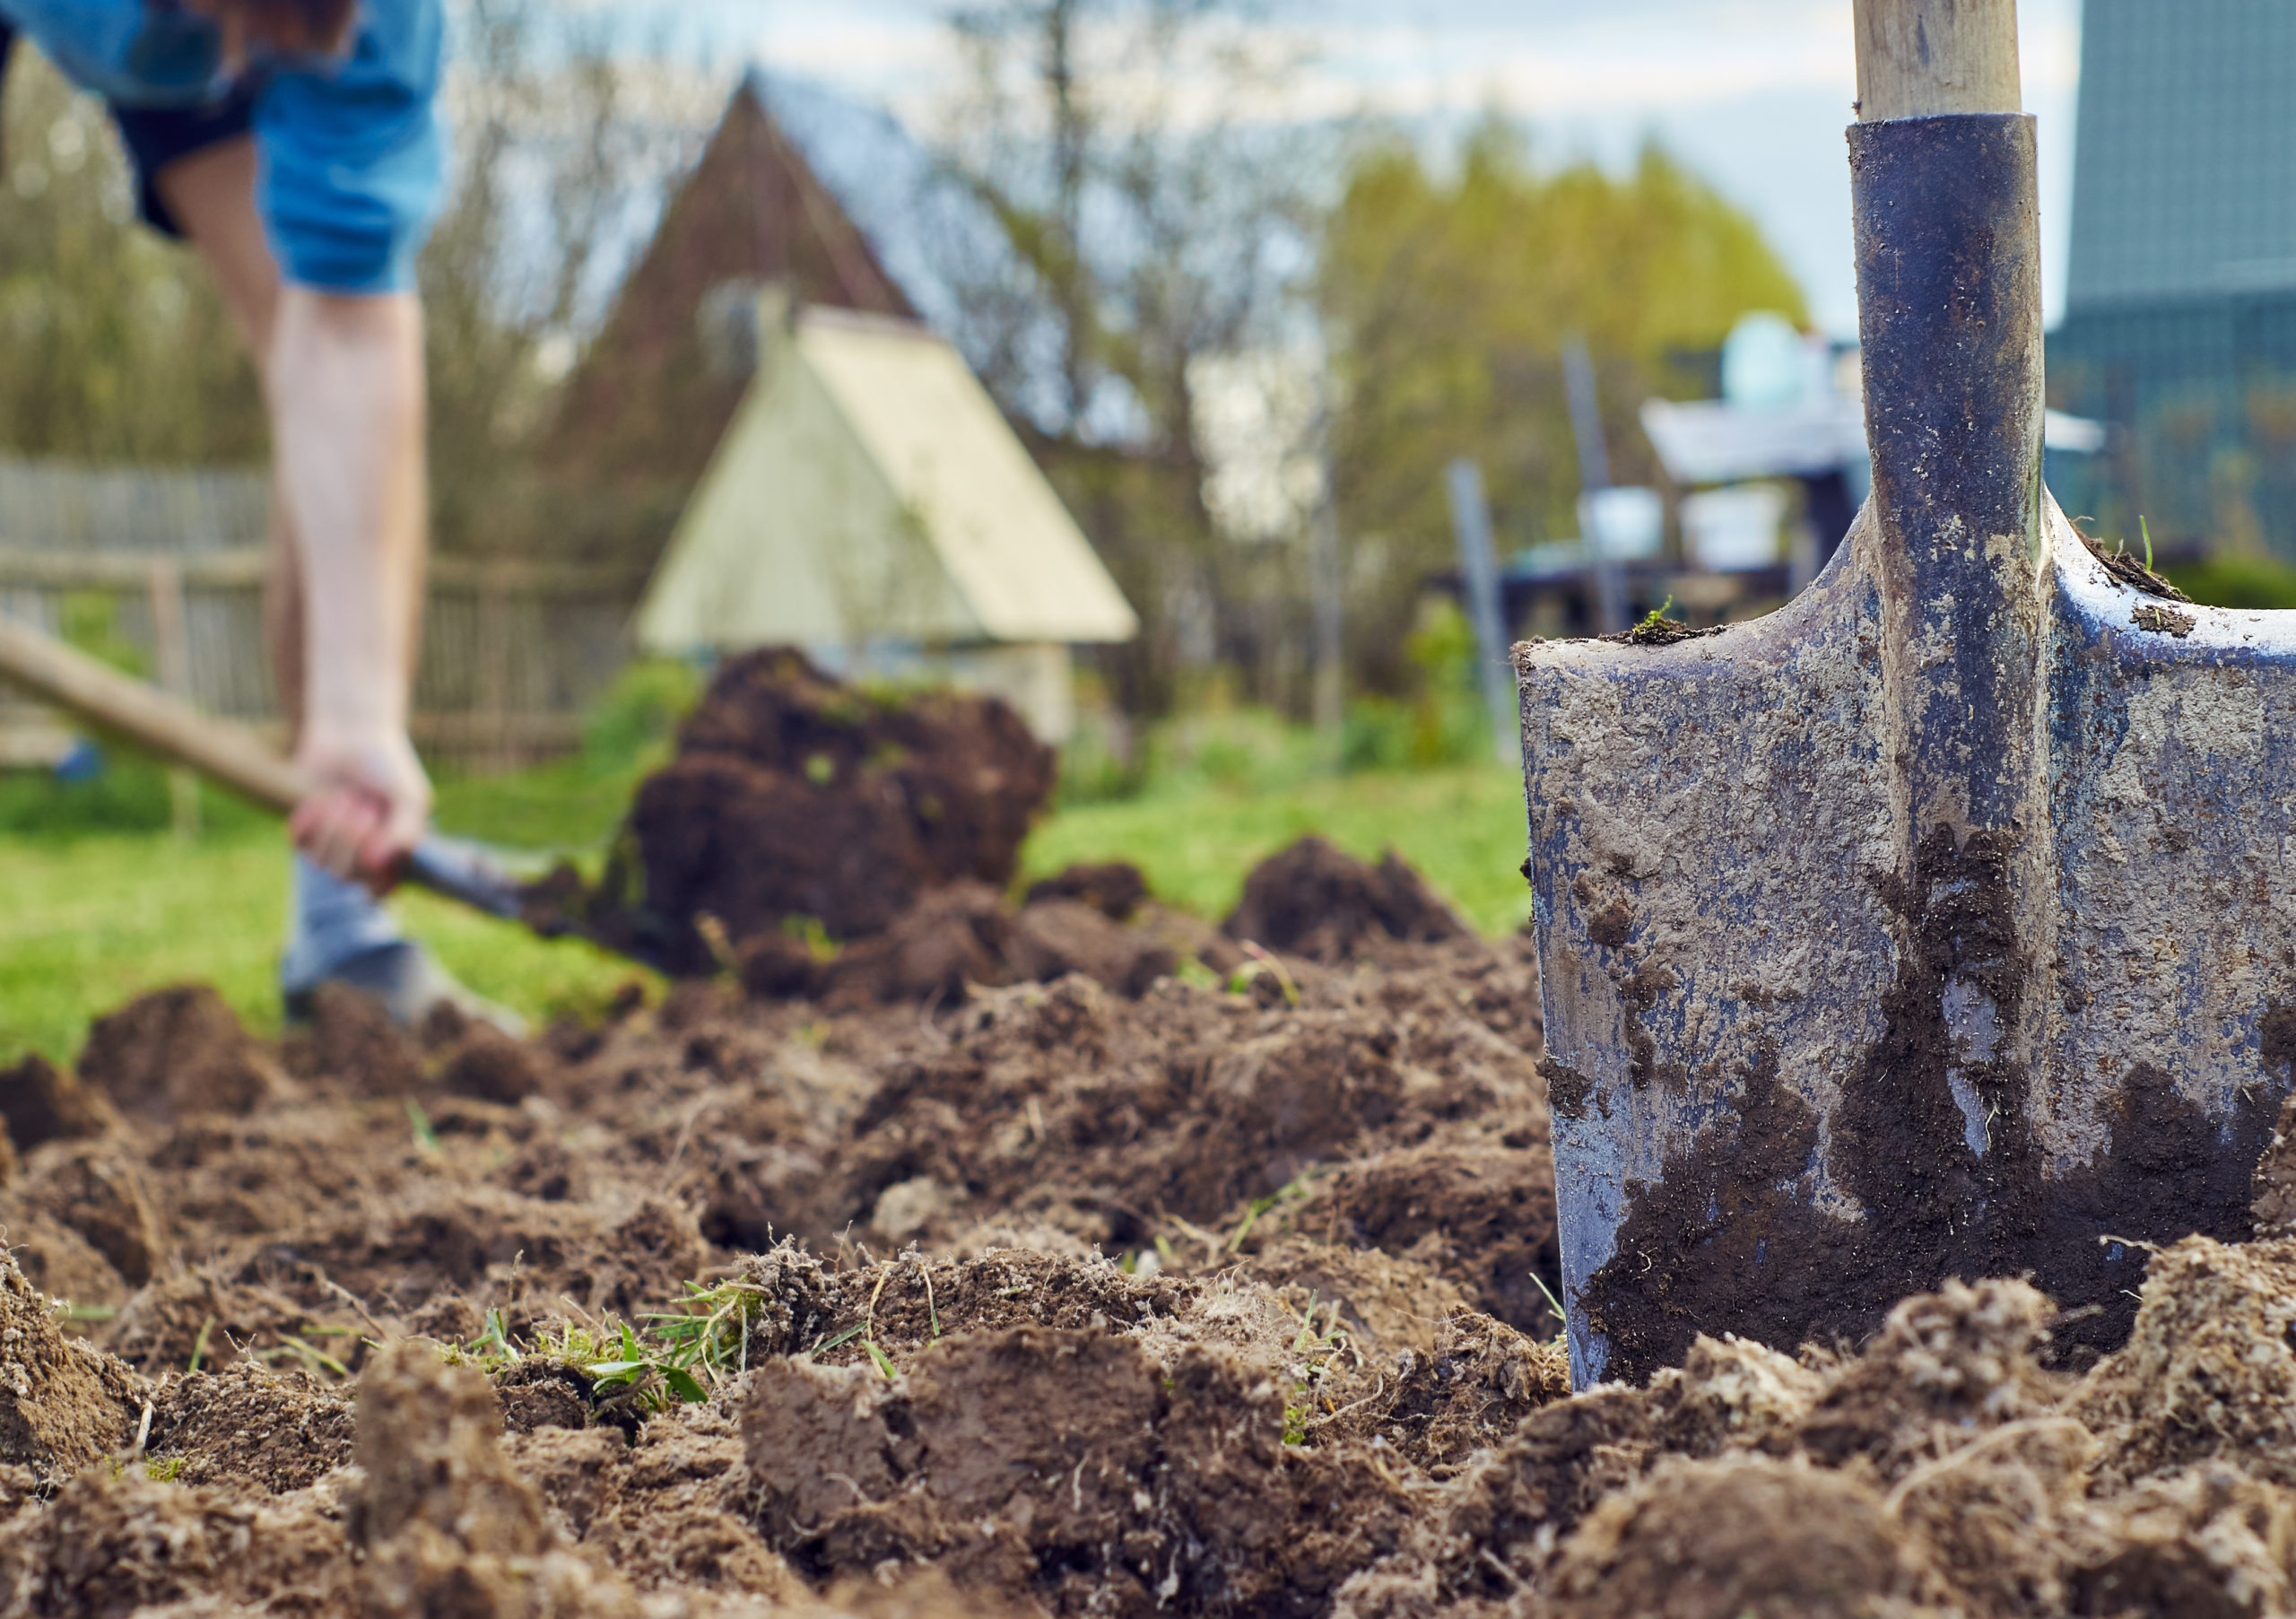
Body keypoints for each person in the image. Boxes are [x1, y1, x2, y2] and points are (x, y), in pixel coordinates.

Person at [0, 0, 489, 1024]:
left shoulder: (376, 22)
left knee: (303, 330)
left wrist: (358, 715)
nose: (233, 69)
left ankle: (342, 931)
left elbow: (346, 328)